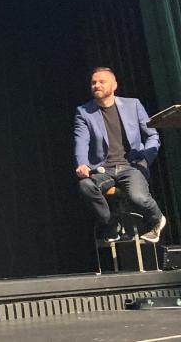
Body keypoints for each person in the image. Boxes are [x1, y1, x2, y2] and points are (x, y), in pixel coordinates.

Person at [74, 67, 166, 243]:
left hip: (130, 166)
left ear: (114, 85)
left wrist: (145, 158)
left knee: (138, 198)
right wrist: (82, 163)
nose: (96, 85)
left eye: (102, 82)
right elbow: (81, 141)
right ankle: (111, 225)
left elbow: (152, 135)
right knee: (86, 186)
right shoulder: (84, 112)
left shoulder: (133, 105)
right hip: (102, 170)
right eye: (93, 82)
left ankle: (157, 219)